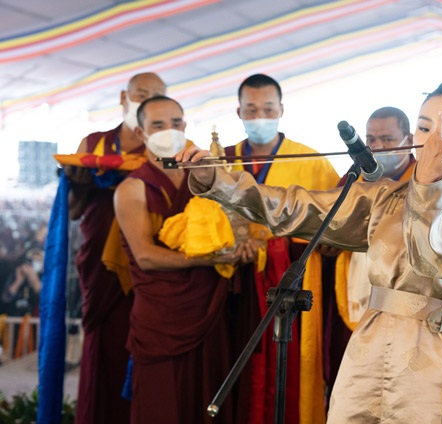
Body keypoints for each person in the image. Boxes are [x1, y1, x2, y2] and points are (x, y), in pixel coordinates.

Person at [178, 76, 442, 423]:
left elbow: (432, 260)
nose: (437, 138)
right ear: (413, 138)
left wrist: (428, 186)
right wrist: (218, 182)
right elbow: (296, 207)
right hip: (370, 343)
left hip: (431, 352)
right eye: (424, 127)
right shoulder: (385, 196)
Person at [114, 95, 244, 423]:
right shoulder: (132, 189)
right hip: (161, 317)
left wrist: (241, 245)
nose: (169, 130)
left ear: (185, 126)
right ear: (141, 133)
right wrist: (207, 260)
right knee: (162, 405)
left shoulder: (202, 175)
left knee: (207, 398)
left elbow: (238, 219)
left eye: (175, 123)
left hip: (207, 309)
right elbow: (145, 257)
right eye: (158, 125)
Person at [222, 73, 340, 424]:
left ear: (281, 110)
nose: (260, 116)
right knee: (236, 363)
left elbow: (337, 225)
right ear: (239, 111)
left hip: (292, 279)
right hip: (234, 283)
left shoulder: (312, 161)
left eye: (268, 108)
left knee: (292, 365)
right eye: (252, 109)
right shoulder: (222, 160)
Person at [66, 72, 165, 424]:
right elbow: (75, 211)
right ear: (124, 97)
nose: (146, 100)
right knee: (102, 348)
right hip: (100, 263)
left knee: (143, 347)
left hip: (146, 263)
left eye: (156, 96)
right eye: (141, 94)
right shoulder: (93, 142)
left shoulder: (166, 146)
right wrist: (77, 185)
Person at [323, 106, 415, 402]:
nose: (377, 147)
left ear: (409, 138)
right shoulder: (353, 179)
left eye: (387, 139)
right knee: (353, 392)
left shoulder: (427, 180)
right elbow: (326, 237)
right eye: (371, 139)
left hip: (405, 304)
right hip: (353, 295)